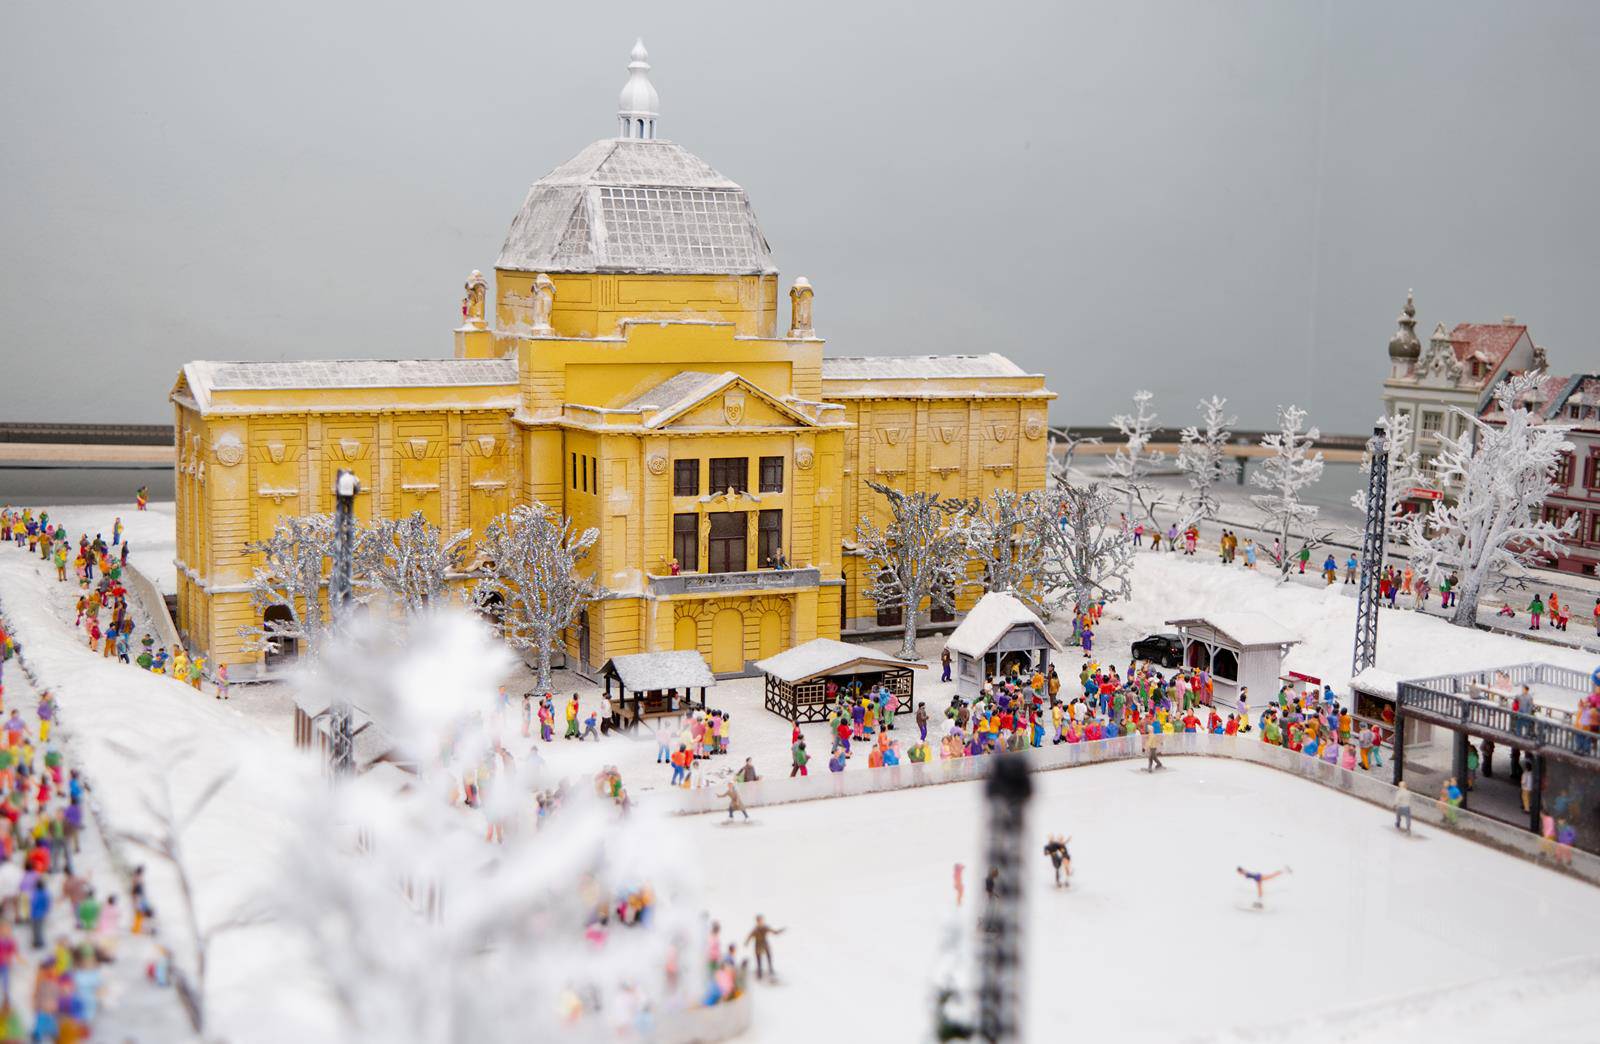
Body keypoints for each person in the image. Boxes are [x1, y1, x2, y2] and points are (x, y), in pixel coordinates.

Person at [745, 915, 785, 980]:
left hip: (764, 943)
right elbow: (750, 936)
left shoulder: (765, 928)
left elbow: (774, 932)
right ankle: (759, 972)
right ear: (757, 922)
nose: (761, 922)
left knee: (769, 956)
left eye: (762, 921)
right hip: (758, 944)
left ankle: (770, 969)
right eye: (760, 921)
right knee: (759, 958)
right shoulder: (755, 930)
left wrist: (780, 931)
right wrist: (746, 942)